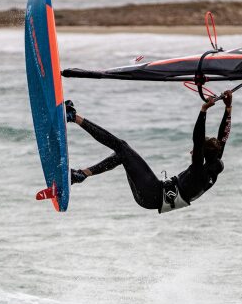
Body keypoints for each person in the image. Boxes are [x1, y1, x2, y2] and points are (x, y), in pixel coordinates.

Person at [66, 90, 233, 213]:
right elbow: (223, 137)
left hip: (152, 193)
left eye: (195, 151)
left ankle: (74, 117)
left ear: (201, 154)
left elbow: (198, 139)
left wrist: (203, 110)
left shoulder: (199, 172)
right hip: (150, 197)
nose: (191, 152)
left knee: (122, 146)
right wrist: (228, 109)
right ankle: (80, 175)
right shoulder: (212, 166)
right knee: (122, 155)